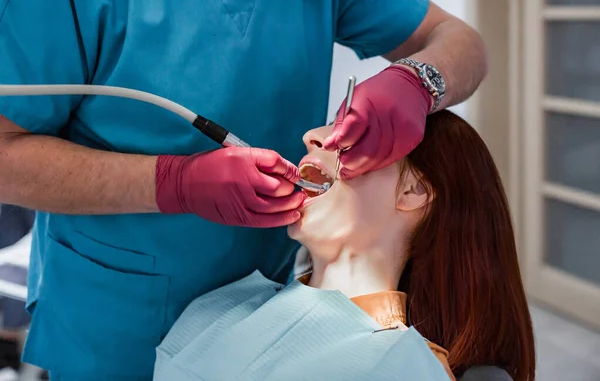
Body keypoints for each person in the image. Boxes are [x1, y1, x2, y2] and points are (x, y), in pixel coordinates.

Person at [0, 0, 488, 378]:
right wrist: (175, 182)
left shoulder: (391, 364)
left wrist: (419, 80)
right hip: (113, 317)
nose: (313, 136)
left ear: (415, 191)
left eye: (351, 143)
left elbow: (460, 42)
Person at [155, 111, 535, 381]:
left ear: (412, 190)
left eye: (355, 134)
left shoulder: (407, 367)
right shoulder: (220, 307)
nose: (312, 136)